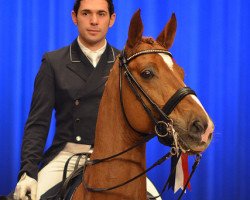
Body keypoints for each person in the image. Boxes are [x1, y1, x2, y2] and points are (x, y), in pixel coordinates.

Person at [13, 0, 161, 199]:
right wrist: (27, 172)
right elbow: (37, 124)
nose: (94, 21)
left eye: (101, 14)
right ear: (75, 17)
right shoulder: (54, 62)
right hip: (67, 155)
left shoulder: (127, 64)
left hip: (117, 158)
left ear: (112, 20)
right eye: (86, 14)